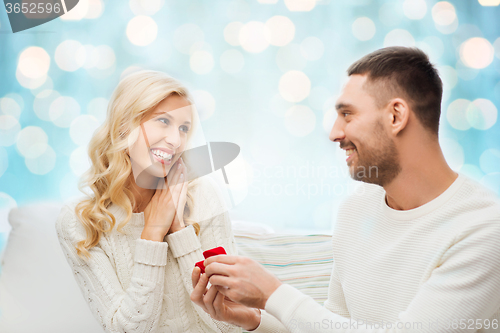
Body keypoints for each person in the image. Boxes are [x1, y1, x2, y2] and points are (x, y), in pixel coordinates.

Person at [190, 47, 500, 332]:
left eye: (347, 114)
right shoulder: (357, 210)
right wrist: (255, 318)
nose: (334, 133)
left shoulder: (483, 230)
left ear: (396, 116)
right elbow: (333, 325)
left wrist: (273, 294)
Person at [55, 70, 242, 333]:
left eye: (184, 128)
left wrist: (179, 230)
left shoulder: (203, 196)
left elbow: (231, 324)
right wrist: (153, 232)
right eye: (163, 121)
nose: (176, 140)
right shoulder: (82, 222)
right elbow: (127, 330)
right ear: (124, 126)